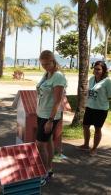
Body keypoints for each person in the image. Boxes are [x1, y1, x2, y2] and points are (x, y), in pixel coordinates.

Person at [36, 50, 67, 185]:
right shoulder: (47, 74)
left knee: (40, 145)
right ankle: (49, 170)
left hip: (49, 116)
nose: (45, 66)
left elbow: (57, 101)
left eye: (47, 64)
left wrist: (50, 120)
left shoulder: (58, 77)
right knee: (47, 142)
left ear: (53, 61)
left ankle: (43, 172)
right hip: (41, 113)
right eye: (42, 64)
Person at [78, 61, 111, 156]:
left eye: (99, 69)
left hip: (101, 109)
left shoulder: (107, 82)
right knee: (85, 126)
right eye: (95, 68)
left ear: (103, 71)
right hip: (90, 107)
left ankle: (94, 148)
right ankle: (86, 145)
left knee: (97, 129)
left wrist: (101, 98)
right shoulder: (91, 79)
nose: (96, 71)